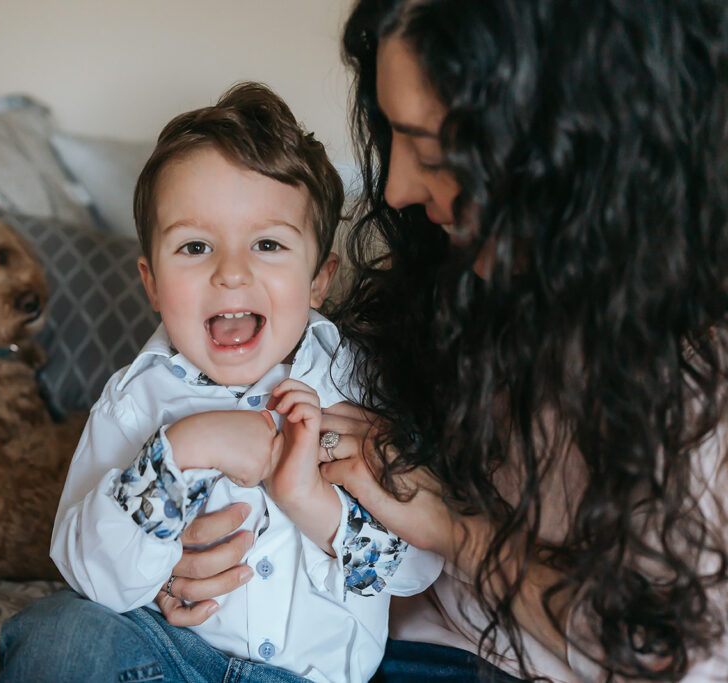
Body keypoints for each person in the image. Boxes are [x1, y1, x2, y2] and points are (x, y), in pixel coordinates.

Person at [161, 1, 728, 681]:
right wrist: (174, 559)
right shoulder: (445, 280)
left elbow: (674, 654)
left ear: (562, 149)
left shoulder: (698, 361)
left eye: (432, 149)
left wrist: (455, 529)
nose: (395, 187)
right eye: (392, 135)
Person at [0, 82, 443, 683]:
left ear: (319, 280)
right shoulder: (135, 400)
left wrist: (309, 500)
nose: (231, 273)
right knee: (60, 634)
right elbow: (88, 574)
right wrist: (186, 445)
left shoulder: (358, 386)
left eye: (267, 243)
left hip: (308, 677)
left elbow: (418, 567)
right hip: (171, 656)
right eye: (196, 246)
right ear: (152, 284)